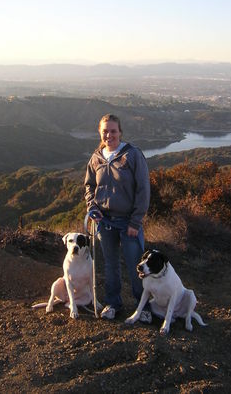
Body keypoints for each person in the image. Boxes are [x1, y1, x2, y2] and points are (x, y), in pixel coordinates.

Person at [84, 113, 152, 322]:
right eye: (105, 131)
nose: (109, 135)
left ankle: (144, 307)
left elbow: (143, 189)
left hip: (128, 222)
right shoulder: (96, 157)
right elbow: (89, 186)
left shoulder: (132, 155)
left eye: (113, 131)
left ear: (120, 132)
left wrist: (135, 221)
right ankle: (113, 303)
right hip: (104, 222)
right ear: (100, 132)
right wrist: (92, 206)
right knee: (110, 266)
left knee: (137, 267)